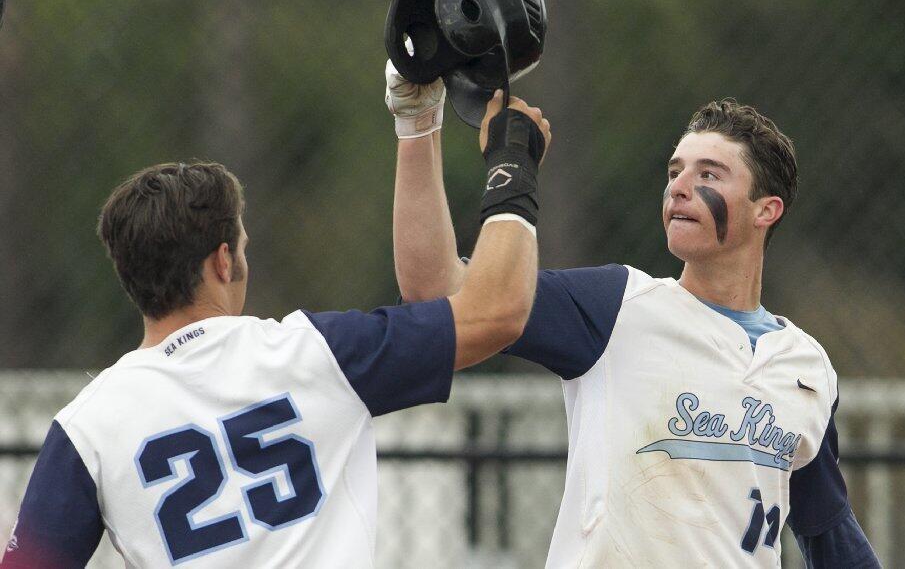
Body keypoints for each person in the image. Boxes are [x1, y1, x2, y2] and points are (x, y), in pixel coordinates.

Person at [1, 90, 551, 568]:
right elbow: (497, 310)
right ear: (222, 262)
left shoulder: (87, 426)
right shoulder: (315, 353)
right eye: (241, 245)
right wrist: (512, 163)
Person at [388, 69, 880, 567]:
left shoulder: (805, 367)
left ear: (765, 210)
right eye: (674, 172)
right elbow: (435, 289)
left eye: (708, 174)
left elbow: (830, 534)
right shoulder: (617, 308)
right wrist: (418, 123)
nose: (680, 188)